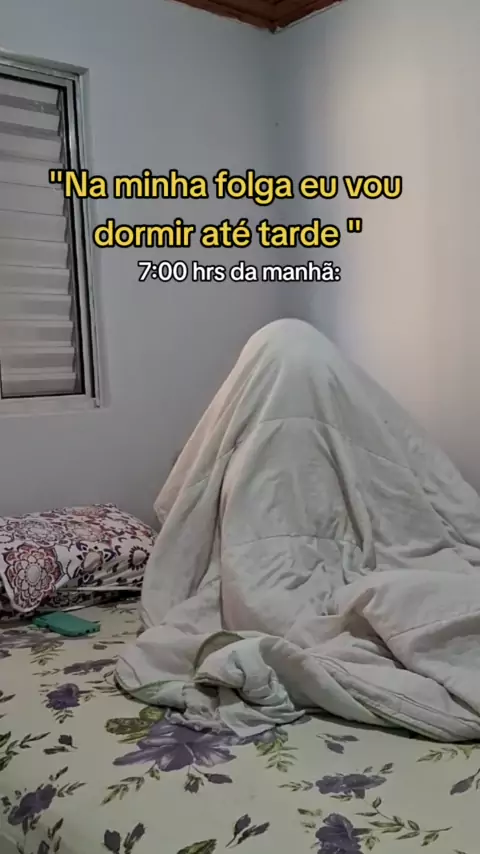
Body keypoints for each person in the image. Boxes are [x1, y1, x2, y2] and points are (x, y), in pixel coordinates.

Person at [116, 319, 480, 741]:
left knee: (270, 600)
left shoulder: (246, 423)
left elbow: (185, 500)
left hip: (262, 585)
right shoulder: (364, 413)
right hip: (325, 572)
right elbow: (435, 491)